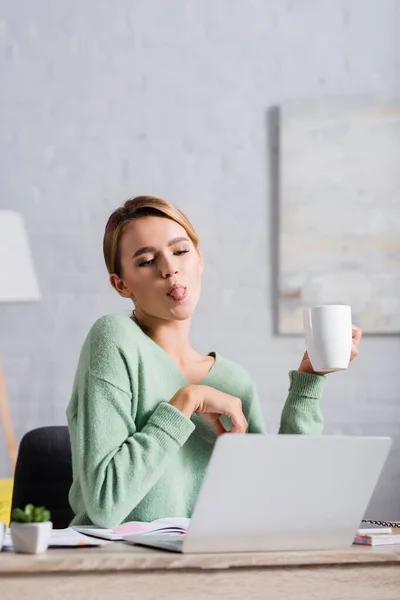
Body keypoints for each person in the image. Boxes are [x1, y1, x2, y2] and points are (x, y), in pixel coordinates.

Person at [66, 195, 362, 527]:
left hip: (207, 569)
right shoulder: (115, 338)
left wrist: (310, 379)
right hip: (119, 568)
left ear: (199, 259)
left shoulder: (233, 382)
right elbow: (105, 504)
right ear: (121, 284)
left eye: (180, 251)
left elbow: (275, 502)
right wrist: (185, 401)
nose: (169, 268)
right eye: (147, 261)